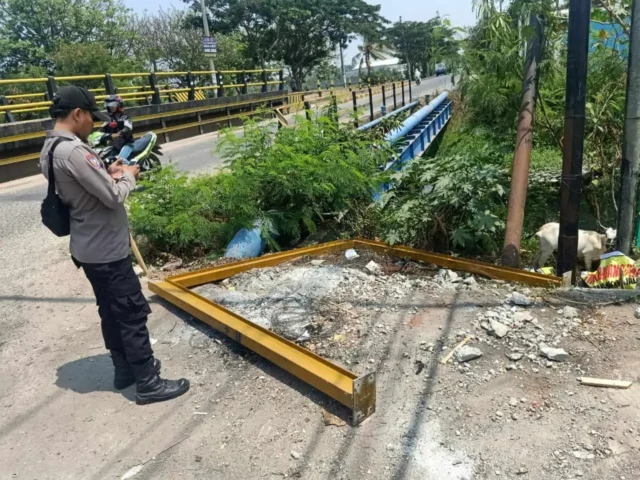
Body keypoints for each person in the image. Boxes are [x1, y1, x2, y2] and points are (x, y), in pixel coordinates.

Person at [40, 86, 190, 405]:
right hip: (107, 249)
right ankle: (148, 383)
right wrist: (128, 176)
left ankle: (125, 371)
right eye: (90, 118)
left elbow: (82, 190)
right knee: (131, 313)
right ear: (77, 114)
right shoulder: (74, 151)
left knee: (110, 312)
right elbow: (112, 196)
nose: (93, 124)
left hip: (87, 248)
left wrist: (106, 173)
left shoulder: (50, 149)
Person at [100, 95, 136, 164]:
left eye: (113, 105)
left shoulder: (125, 117)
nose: (111, 107)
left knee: (120, 161)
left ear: (119, 105)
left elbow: (128, 128)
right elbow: (102, 129)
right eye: (109, 105)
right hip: (114, 145)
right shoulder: (109, 119)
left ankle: (133, 170)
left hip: (126, 144)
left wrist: (120, 133)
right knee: (108, 160)